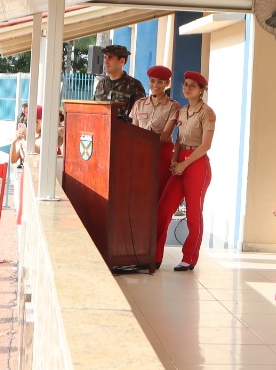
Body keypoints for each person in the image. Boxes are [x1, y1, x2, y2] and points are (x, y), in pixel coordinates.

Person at [152, 71, 216, 273]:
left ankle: (189, 257)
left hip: (196, 163)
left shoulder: (207, 113)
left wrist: (184, 164)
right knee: (163, 209)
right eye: (185, 84)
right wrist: (173, 160)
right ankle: (154, 255)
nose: (187, 88)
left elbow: (206, 145)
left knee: (193, 213)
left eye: (193, 86)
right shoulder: (183, 111)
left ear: (201, 91)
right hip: (179, 161)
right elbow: (178, 140)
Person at [130, 65, 180, 196]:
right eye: (152, 80)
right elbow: (133, 131)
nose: (155, 85)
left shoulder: (172, 106)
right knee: (140, 191)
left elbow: (165, 135)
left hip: (161, 152)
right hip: (140, 152)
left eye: (160, 81)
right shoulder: (139, 104)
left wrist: (144, 141)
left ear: (167, 83)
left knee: (160, 191)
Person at [92, 44, 146, 118]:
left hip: (124, 129)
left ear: (122, 61)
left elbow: (140, 117)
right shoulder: (101, 84)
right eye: (105, 58)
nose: (106, 62)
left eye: (110, 58)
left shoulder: (134, 86)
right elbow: (94, 111)